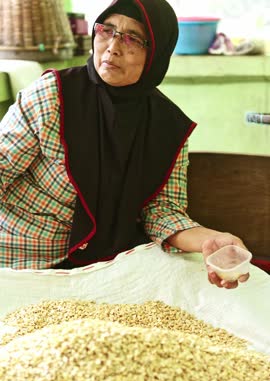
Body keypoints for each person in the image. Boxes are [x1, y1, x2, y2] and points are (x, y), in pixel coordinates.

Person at [0, 0, 249, 289]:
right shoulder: (54, 97)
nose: (113, 47)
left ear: (156, 52)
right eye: (107, 30)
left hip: (105, 266)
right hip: (20, 262)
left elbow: (162, 211)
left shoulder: (166, 127)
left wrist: (211, 241)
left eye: (132, 38)